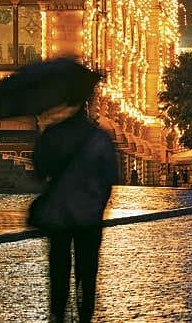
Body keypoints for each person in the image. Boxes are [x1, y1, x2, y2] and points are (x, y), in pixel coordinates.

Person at [31, 103, 119, 323]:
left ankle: (58, 312)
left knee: (59, 267)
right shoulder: (99, 139)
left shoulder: (53, 135)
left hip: (59, 215)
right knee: (87, 271)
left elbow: (39, 170)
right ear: (86, 109)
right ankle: (85, 312)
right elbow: (110, 177)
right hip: (89, 216)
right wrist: (98, 205)